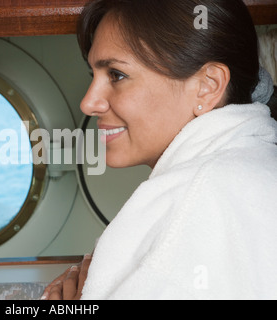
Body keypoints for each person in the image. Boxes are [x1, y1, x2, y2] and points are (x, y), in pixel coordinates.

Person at [42, 0, 277, 300]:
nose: (88, 103)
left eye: (116, 75)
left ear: (207, 86)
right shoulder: (242, 170)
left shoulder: (201, 197)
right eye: (93, 76)